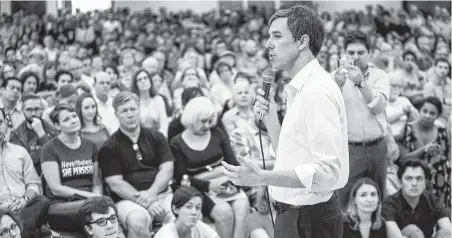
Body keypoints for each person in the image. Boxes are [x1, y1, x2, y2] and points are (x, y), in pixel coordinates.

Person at [222, 5, 349, 238]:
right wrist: (271, 122)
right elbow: (293, 158)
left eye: (277, 36)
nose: (268, 44)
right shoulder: (300, 88)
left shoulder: (316, 91)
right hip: (293, 215)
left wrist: (262, 177)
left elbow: (326, 172)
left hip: (310, 219)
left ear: (302, 42)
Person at [98, 91, 175, 237]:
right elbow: (116, 184)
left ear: (139, 110)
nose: (130, 114)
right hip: (128, 200)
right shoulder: (109, 147)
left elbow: (167, 169)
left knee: (184, 214)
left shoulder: (157, 137)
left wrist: (152, 192)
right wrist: (147, 202)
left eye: (133, 109)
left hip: (162, 195)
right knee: (138, 221)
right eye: (124, 111)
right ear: (116, 115)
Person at [170, 96, 250, 238]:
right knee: (224, 212)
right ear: (192, 119)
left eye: (209, 121)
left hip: (227, 182)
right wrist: (209, 185)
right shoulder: (177, 143)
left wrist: (233, 184)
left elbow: (233, 163)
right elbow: (181, 178)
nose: (207, 125)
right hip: (199, 188)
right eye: (202, 121)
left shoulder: (217, 133)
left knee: (242, 207)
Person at [333, 30, 390, 208]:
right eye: (351, 53)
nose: (356, 57)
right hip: (350, 149)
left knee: (377, 198)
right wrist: (336, 86)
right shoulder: (334, 78)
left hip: (377, 147)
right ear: (344, 54)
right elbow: (327, 114)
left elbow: (379, 107)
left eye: (360, 52)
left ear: (370, 54)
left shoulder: (380, 76)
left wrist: (361, 83)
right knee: (345, 200)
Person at [41, 104, 103, 232]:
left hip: (91, 201)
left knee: (107, 210)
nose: (73, 120)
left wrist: (98, 197)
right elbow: (56, 189)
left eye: (74, 116)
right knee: (95, 211)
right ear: (57, 126)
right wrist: (90, 197)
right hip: (60, 205)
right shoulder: (49, 149)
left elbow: (97, 182)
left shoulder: (90, 145)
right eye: (66, 119)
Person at [0, 108, 50, 238]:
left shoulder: (19, 152)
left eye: (0, 122)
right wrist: (3, 208)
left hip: (23, 207)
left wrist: (24, 199)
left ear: (5, 123)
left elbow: (33, 183)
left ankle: (18, 232)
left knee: (42, 201)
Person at [398, 96, 451, 208]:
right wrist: (424, 149)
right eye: (425, 111)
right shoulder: (408, 129)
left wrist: (436, 155)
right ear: (419, 111)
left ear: (437, 116)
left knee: (440, 210)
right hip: (415, 175)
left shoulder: (442, 132)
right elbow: (404, 158)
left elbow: (446, 156)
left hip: (438, 177)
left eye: (432, 113)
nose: (427, 116)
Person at [381, 159, 451, 238]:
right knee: (412, 231)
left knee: (446, 233)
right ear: (400, 181)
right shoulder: (390, 204)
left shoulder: (432, 200)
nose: (414, 184)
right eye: (409, 179)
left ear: (425, 182)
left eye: (419, 179)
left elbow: (448, 229)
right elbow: (395, 235)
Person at [9, 93, 59, 175]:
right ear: (22, 111)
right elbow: (19, 163)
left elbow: (57, 155)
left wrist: (41, 133)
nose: (33, 113)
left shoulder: (52, 129)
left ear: (42, 109)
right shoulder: (16, 135)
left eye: (36, 109)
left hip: (53, 174)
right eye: (29, 109)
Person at [154, 186, 220, 238]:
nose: (194, 212)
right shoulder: (166, 235)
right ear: (175, 209)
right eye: (188, 207)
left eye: (197, 208)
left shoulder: (198, 225)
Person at [131, 69, 169, 136]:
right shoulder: (133, 103)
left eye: (145, 78)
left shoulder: (158, 100)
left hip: (158, 139)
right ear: (136, 85)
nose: (143, 81)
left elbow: (164, 124)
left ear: (150, 81)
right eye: (139, 80)